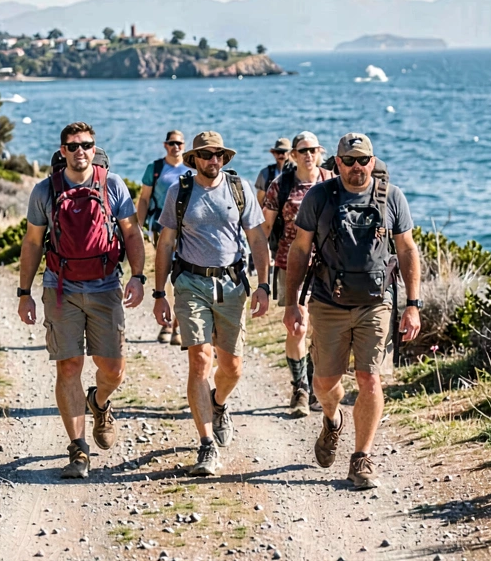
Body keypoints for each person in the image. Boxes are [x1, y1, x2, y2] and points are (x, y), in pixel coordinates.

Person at [283, 133, 421, 490]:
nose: (357, 167)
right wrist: (293, 302)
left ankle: (362, 456)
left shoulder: (392, 197)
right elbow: (299, 250)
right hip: (328, 302)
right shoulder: (319, 197)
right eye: (350, 161)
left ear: (372, 162)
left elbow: (406, 251)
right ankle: (332, 420)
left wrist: (413, 305)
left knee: (369, 378)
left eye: (364, 160)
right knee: (324, 384)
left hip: (376, 302)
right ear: (337, 163)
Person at [16, 122, 147, 479]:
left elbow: (132, 233)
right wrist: (24, 292)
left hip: (106, 287)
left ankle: (99, 402)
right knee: (68, 366)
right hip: (61, 288)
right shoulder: (45, 191)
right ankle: (78, 449)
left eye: (86, 145)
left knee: (112, 369)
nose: (80, 151)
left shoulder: (113, 184)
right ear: (61, 151)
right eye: (72, 146)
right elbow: (31, 243)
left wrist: (137, 275)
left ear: (94, 148)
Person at [153, 131, 270, 477]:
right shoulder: (180, 192)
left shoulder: (240, 189)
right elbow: (164, 244)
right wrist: (160, 293)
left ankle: (218, 403)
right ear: (194, 159)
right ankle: (206, 445)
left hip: (232, 285)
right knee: (200, 359)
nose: (213, 160)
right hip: (191, 283)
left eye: (218, 154)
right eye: (205, 154)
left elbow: (257, 239)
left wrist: (264, 285)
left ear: (224, 157)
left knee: (233, 367)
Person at [260, 131, 333, 416]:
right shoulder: (281, 185)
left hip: (328, 266)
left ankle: (315, 385)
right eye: (302, 150)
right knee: (297, 327)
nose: (308, 155)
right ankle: (300, 387)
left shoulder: (330, 181)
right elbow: (265, 229)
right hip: (291, 264)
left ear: (320, 152)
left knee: (323, 329)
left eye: (312, 149)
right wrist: (260, 270)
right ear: (292, 155)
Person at [136, 130, 190, 345]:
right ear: (165, 145)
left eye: (179, 143)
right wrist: (138, 228)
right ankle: (166, 324)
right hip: (161, 228)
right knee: (165, 275)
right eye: (171, 143)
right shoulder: (155, 169)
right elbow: (144, 199)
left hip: (188, 231)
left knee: (182, 277)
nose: (175, 147)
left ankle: (177, 325)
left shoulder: (192, 169)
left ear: (184, 146)